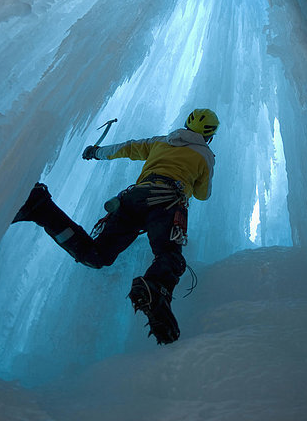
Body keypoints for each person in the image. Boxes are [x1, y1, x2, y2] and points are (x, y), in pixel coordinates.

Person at [12, 108, 219, 345]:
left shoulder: (162, 141)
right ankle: (156, 287)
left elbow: (127, 148)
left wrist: (97, 152)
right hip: (167, 202)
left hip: (133, 199)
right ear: (209, 135)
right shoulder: (206, 155)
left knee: (97, 254)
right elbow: (204, 194)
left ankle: (40, 208)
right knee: (170, 256)